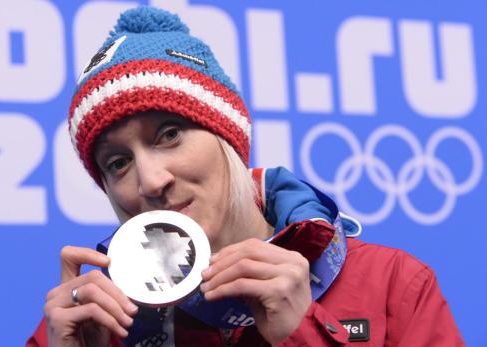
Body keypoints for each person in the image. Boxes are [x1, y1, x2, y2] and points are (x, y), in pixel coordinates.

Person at [28, 6, 463, 346]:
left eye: (169, 134)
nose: (151, 180)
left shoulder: (394, 285)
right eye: (117, 163)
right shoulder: (92, 321)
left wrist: (302, 334)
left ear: (228, 137)